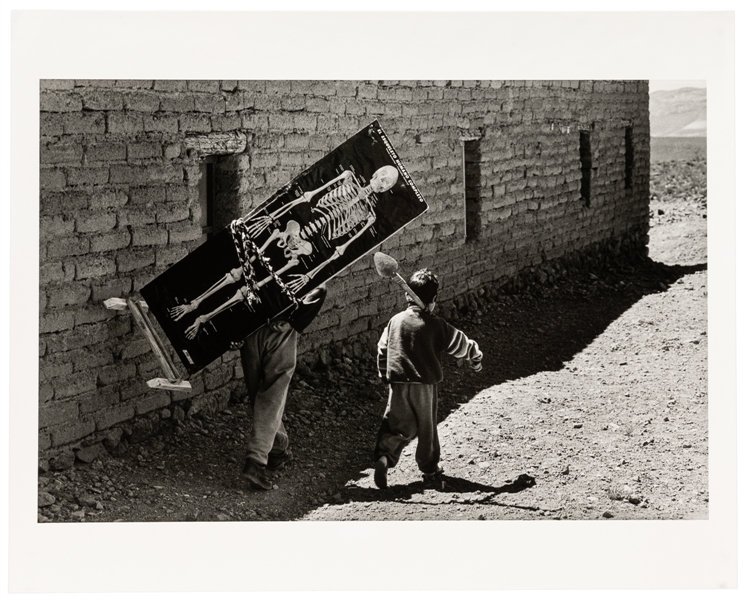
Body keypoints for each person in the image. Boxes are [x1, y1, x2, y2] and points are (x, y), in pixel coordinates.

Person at [373, 269, 483, 489]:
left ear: (407, 296)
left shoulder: (395, 321)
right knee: (427, 428)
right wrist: (475, 355)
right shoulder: (436, 325)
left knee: (397, 424)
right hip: (425, 387)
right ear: (433, 300)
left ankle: (385, 457)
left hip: (398, 383)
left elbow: (382, 348)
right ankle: (429, 467)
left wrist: (383, 373)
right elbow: (460, 343)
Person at [235, 284, 327, 490]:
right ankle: (256, 462)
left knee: (258, 393)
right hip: (279, 330)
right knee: (272, 394)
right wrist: (293, 320)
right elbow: (319, 286)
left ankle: (277, 449)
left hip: (250, 328)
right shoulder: (308, 253)